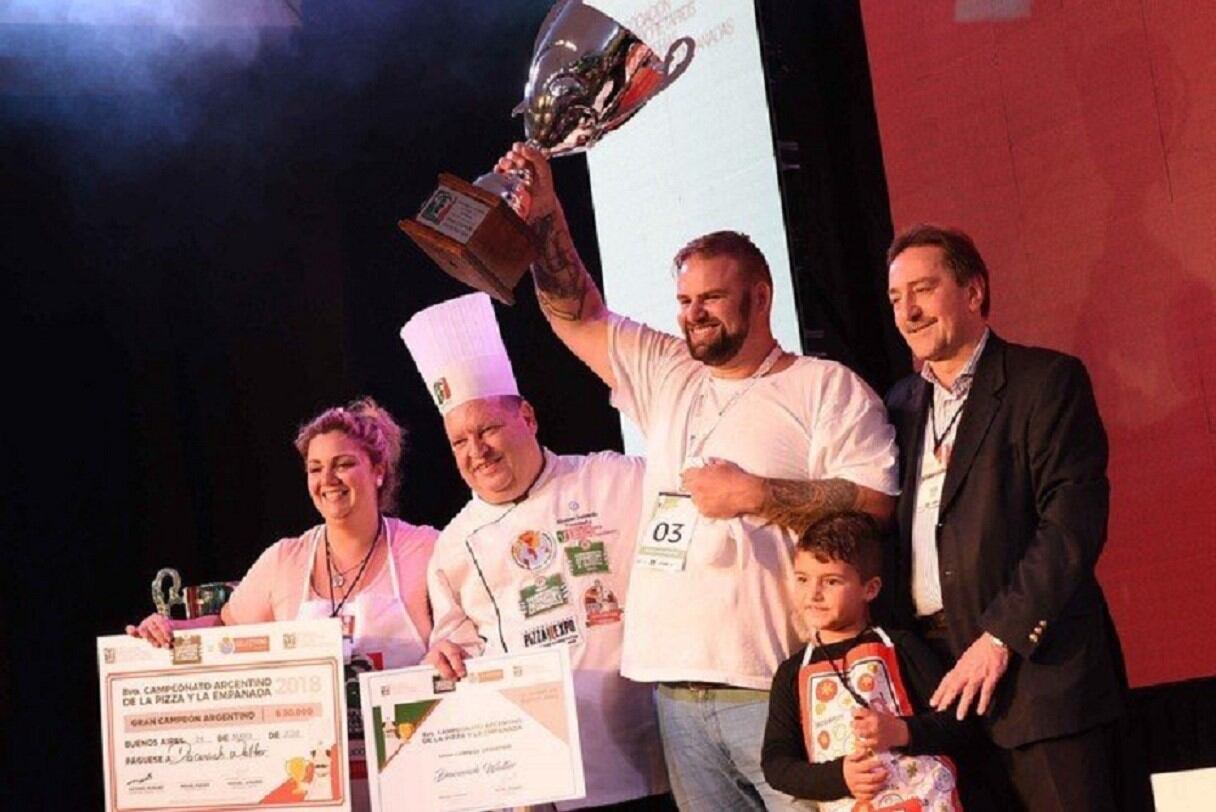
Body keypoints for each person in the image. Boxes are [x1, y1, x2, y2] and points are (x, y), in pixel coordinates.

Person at [495, 144, 899, 811]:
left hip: (775, 685)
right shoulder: (668, 373)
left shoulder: (824, 388)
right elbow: (577, 312)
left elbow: (875, 502)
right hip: (675, 693)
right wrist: (546, 217)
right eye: (684, 300)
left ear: (760, 296)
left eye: (711, 297)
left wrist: (759, 495)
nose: (693, 314)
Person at [884, 224, 1127, 809]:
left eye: (923, 289)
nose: (909, 311)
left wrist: (998, 639)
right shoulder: (896, 407)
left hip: (1037, 681)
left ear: (973, 291)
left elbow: (1070, 526)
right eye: (895, 298)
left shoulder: (1045, 382)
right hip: (941, 695)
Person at [400, 292, 669, 810]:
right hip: (535, 782)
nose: (476, 451)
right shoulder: (454, 545)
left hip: (643, 763)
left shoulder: (615, 480)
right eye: (459, 441)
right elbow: (455, 647)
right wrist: (443, 657)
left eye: (488, 429)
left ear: (527, 416)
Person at [127, 397, 437, 812]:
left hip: (411, 790)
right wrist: (165, 632)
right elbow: (225, 630)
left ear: (379, 471)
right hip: (315, 794)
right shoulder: (285, 560)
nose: (327, 478)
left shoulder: (424, 549)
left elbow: (463, 639)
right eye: (315, 468)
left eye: (343, 464)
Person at [762, 511, 975, 810]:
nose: (813, 593)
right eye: (802, 579)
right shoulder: (791, 673)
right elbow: (776, 764)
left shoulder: (902, 647)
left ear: (870, 588)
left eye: (831, 581)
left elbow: (958, 723)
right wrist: (840, 776)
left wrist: (902, 731)